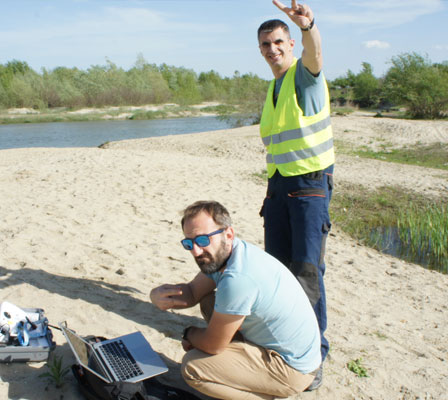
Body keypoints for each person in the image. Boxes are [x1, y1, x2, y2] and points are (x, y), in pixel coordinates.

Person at [149, 201, 321, 399]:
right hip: (291, 352)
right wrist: (157, 294)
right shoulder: (233, 253)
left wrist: (189, 334)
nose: (196, 251)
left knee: (193, 367)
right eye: (189, 243)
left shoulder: (238, 278)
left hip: (293, 369)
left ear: (228, 234)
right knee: (208, 301)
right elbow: (192, 292)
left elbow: (213, 345)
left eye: (203, 240)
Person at [257, 0, 333, 378]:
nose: (272, 50)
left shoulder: (304, 76)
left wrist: (308, 26)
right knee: (278, 271)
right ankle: (286, 340)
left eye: (277, 42)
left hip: (308, 187)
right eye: (265, 45)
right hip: (277, 189)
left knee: (306, 271)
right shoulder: (272, 88)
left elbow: (315, 54)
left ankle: (314, 355)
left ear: (289, 43)